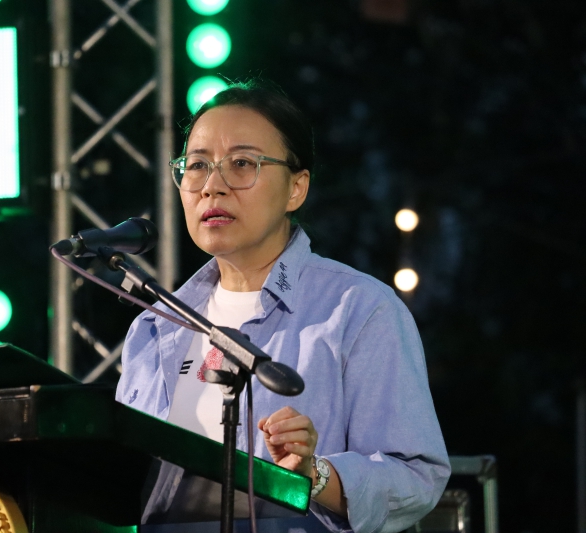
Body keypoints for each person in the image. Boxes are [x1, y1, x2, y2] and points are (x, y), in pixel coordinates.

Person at [115, 80, 450, 533]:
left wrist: (315, 475)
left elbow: (416, 476)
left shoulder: (358, 310)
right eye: (196, 166)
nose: (212, 186)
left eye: (241, 164)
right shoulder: (156, 326)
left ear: (296, 188)